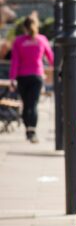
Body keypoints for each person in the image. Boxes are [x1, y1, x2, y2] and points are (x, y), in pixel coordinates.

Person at [8, 14, 54, 143]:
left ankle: (28, 130)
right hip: (37, 76)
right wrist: (58, 72)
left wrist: (12, 79)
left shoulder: (18, 41)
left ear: (24, 28)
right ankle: (31, 131)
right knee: (33, 105)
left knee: (26, 104)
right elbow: (51, 58)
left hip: (22, 77)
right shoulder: (42, 39)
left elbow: (15, 61)